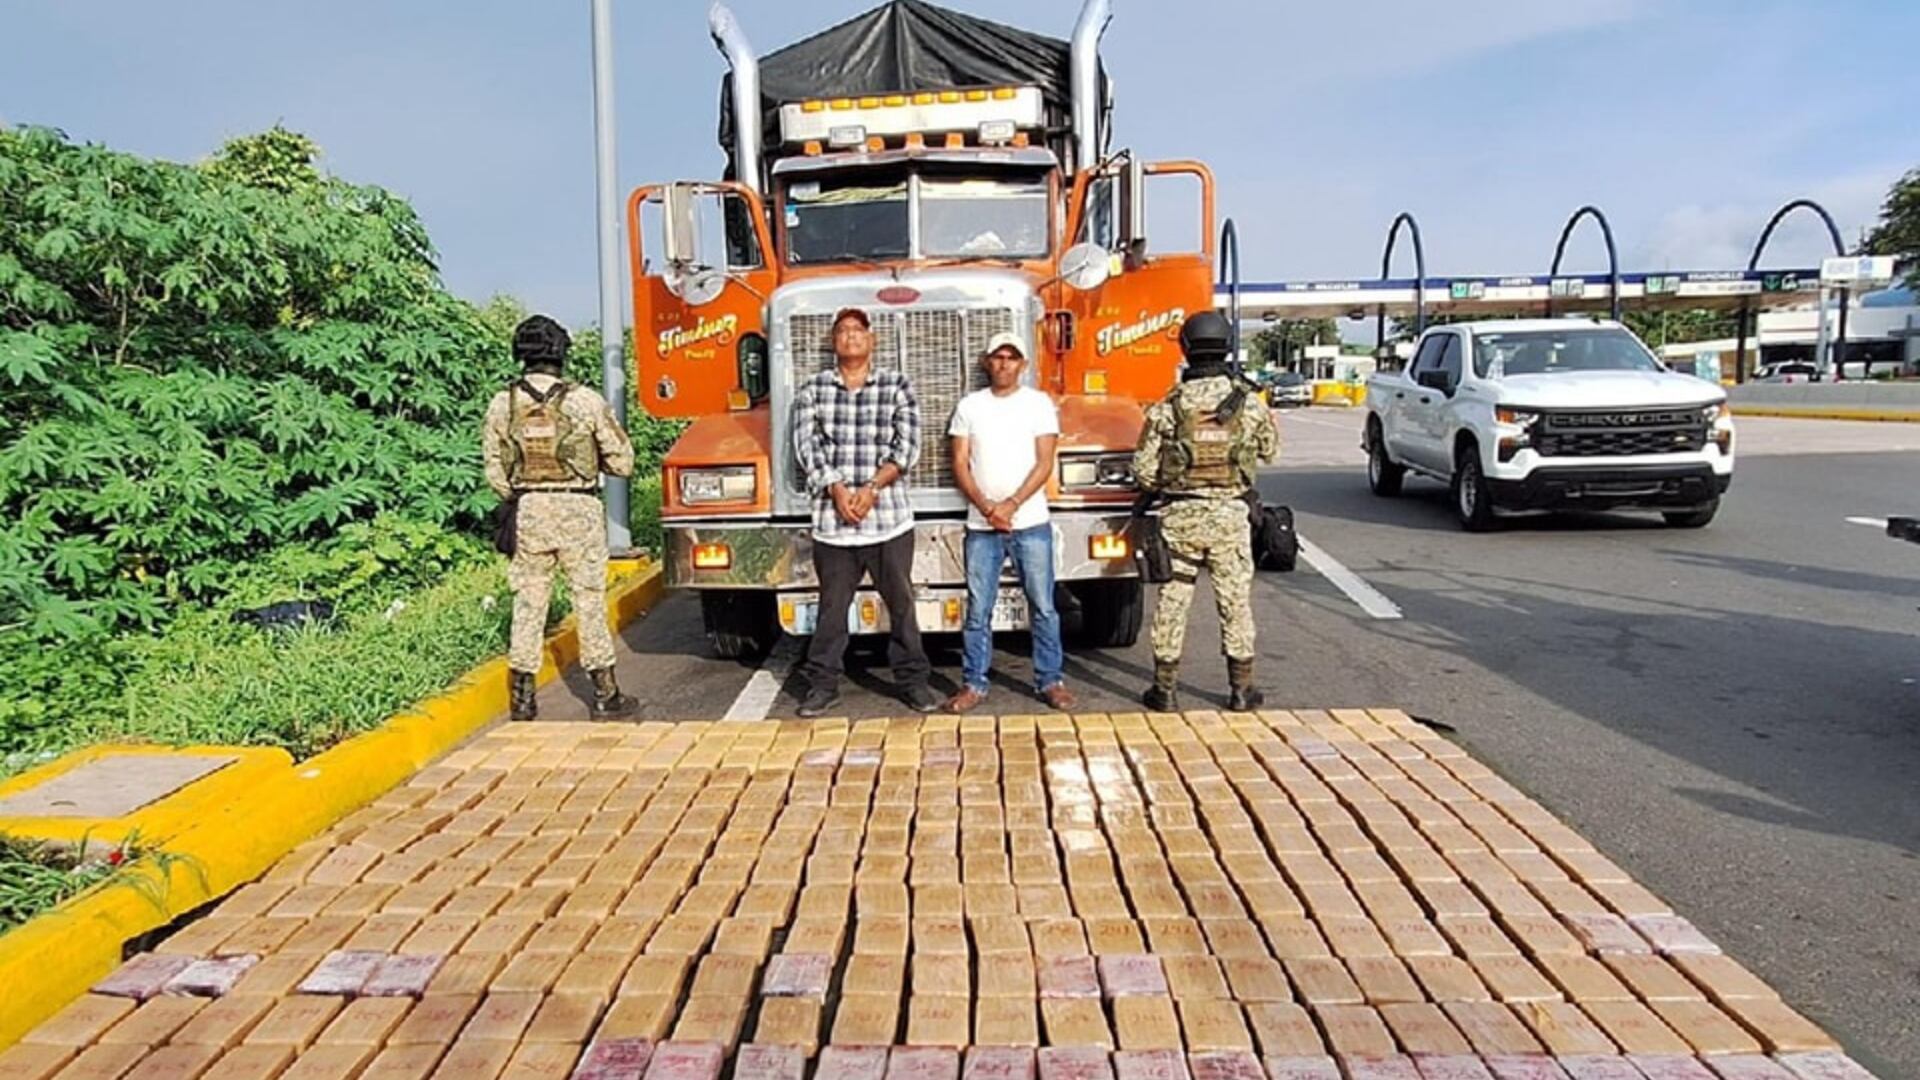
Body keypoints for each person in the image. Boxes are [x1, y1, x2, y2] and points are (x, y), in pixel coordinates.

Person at [483, 315, 639, 722]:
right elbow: (622, 462)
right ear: (561, 352)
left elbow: (495, 472)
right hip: (578, 508)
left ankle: (522, 699)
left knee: (529, 600)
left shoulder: (503, 403)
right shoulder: (584, 401)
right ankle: (605, 693)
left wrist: (524, 495)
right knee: (588, 599)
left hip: (529, 510)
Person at [790, 307, 942, 717]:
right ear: (833, 342)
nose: (851, 336)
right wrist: (837, 488)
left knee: (902, 606)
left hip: (888, 520)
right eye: (843, 330)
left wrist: (873, 488)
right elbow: (807, 446)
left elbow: (908, 446)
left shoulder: (896, 386)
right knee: (831, 610)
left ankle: (914, 683)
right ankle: (822, 686)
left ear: (872, 339)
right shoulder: (813, 390)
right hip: (833, 523)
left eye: (858, 329)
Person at [1132, 310, 1281, 712]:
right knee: (1234, 602)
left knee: (1173, 600)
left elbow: (1143, 471)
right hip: (1230, 518)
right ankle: (1241, 690)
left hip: (1180, 518)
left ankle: (1164, 691)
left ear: (1185, 348)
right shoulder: (1248, 403)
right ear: (1227, 347)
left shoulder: (1168, 406)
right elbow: (1270, 451)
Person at [944, 332, 1076, 714]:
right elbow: (960, 462)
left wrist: (1012, 503)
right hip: (982, 527)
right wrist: (988, 507)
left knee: (1043, 606)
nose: (1004, 364)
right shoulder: (970, 406)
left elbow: (1044, 462)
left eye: (1011, 357)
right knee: (978, 609)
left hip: (1031, 522)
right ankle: (973, 683)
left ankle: (1050, 681)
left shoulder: (1038, 404)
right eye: (998, 357)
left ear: (1023, 364)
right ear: (987, 363)